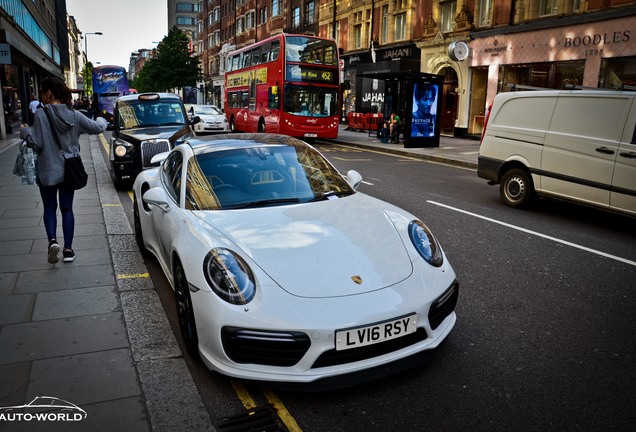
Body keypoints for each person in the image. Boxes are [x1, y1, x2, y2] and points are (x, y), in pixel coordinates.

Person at [19, 77, 107, 264]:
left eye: (42, 92)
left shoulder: (41, 115)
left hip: (48, 169)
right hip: (69, 170)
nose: (41, 96)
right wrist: (101, 118)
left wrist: (25, 132)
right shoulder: (74, 115)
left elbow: (37, 142)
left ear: (49, 94)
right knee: (67, 208)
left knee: (49, 207)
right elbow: (98, 128)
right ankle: (68, 250)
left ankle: (52, 241)